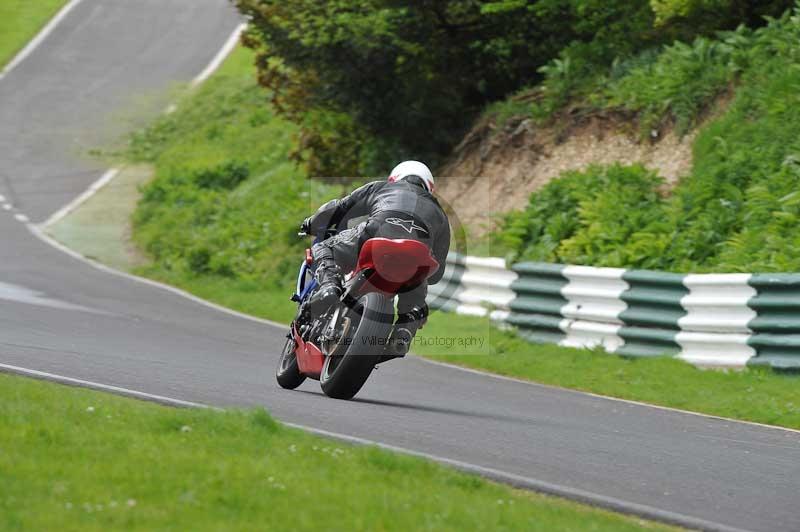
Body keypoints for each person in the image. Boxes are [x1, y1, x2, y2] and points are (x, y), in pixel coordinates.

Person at [301, 160, 451, 356]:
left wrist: (312, 222)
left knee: (324, 247)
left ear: (394, 178)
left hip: (375, 236)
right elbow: (436, 274)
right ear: (429, 187)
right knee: (417, 286)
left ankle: (329, 286)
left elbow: (339, 209)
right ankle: (403, 333)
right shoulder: (440, 214)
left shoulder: (382, 187)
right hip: (416, 256)